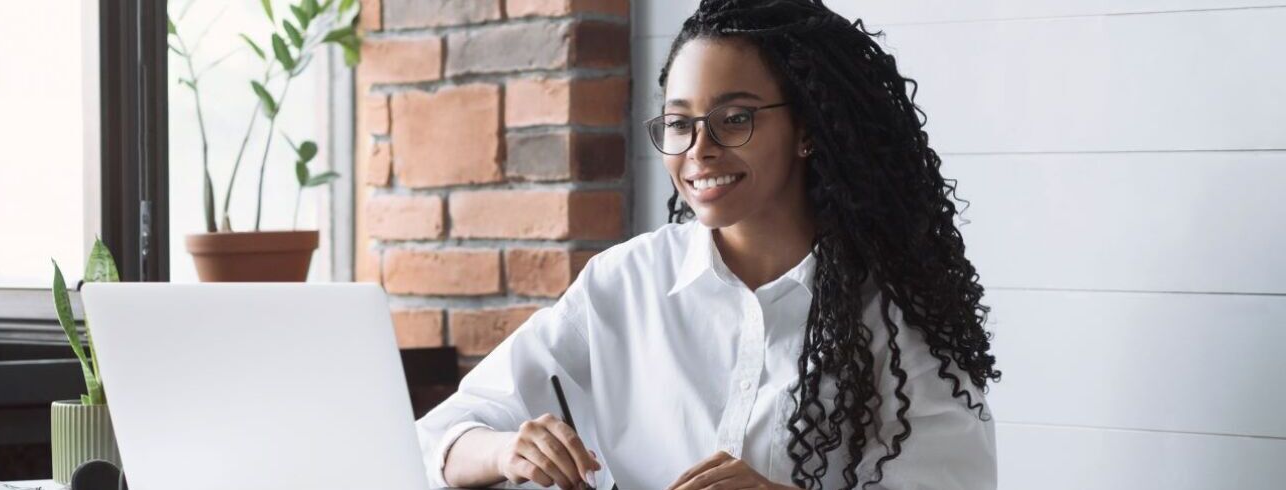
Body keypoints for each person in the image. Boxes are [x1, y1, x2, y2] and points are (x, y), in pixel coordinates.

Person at [415, 1, 1000, 489]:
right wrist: (507, 452)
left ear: (808, 130)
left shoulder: (892, 308)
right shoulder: (624, 283)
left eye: (734, 118)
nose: (699, 148)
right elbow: (439, 435)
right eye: (679, 123)